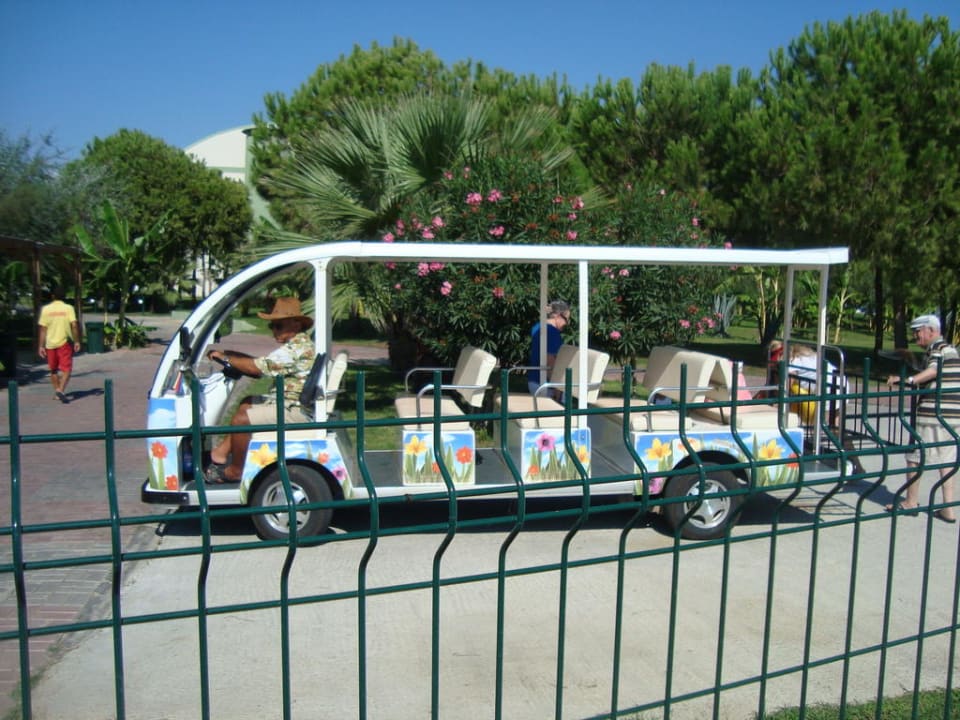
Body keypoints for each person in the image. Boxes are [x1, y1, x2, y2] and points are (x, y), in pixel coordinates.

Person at [204, 297, 316, 483]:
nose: (273, 330)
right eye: (272, 326)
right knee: (247, 402)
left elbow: (257, 368)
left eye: (278, 326)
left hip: (296, 410)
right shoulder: (296, 344)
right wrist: (230, 356)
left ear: (296, 325)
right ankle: (219, 454)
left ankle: (236, 471)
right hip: (289, 402)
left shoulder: (297, 348)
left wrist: (227, 358)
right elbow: (261, 364)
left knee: (241, 420)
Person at [885, 314, 959, 523]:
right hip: (953, 415)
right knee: (947, 458)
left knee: (914, 455)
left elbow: (933, 371)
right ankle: (947, 507)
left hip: (934, 413)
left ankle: (910, 502)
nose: (915, 336)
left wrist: (907, 380)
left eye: (918, 332)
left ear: (931, 331)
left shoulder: (938, 348)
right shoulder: (950, 349)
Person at [37, 286, 81, 404]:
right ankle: (60, 390)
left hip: (50, 344)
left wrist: (41, 346)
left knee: (53, 370)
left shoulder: (46, 309)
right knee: (67, 369)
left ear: (53, 296)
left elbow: (43, 329)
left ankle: (57, 391)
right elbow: (74, 325)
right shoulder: (68, 308)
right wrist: (76, 341)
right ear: (64, 297)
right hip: (64, 342)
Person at [527, 300, 570, 397]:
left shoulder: (537, 327)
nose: (567, 323)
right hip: (544, 385)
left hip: (533, 381)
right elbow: (549, 362)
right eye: (566, 319)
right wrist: (557, 388)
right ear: (558, 316)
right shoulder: (552, 333)